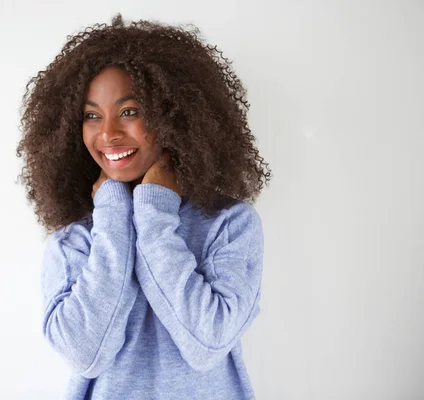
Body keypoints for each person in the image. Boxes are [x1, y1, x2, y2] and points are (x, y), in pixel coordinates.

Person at [16, 13, 272, 400]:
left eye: (130, 111)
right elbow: (85, 354)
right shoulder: (75, 239)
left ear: (174, 113)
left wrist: (154, 215)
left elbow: (207, 344)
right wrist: (114, 217)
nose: (108, 133)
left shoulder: (229, 225)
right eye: (91, 116)